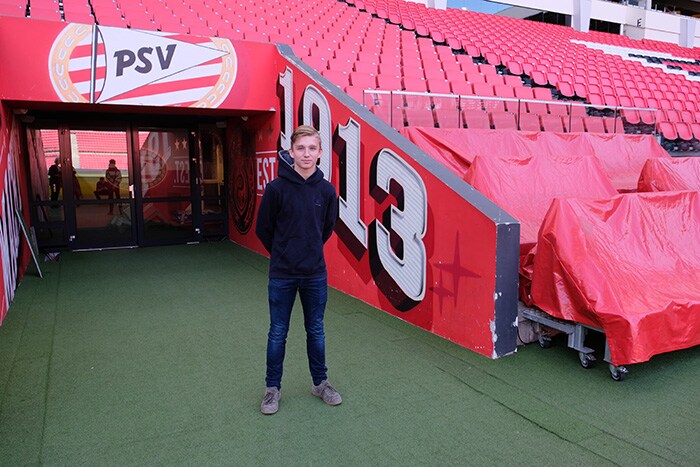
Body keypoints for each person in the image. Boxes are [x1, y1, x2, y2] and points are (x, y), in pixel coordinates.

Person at [255, 125, 340, 415]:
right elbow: (263, 229)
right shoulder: (276, 189)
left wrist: (308, 250)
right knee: (278, 332)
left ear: (319, 153)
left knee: (315, 330)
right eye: (300, 148)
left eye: (312, 148)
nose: (306, 153)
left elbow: (326, 229)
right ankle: (272, 389)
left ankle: (320, 383)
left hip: (315, 274)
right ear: (291, 152)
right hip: (282, 274)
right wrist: (284, 254)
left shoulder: (327, 191)